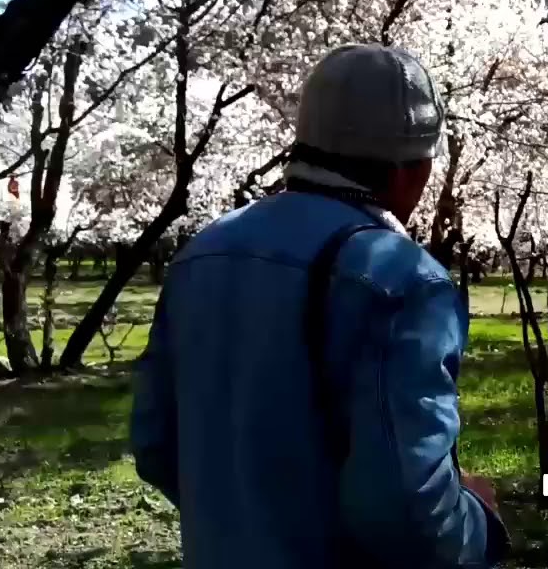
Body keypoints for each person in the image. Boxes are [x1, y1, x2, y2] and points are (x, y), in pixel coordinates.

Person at [130, 44, 508, 568]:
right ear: (409, 172)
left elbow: (155, 443)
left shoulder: (202, 252)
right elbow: (405, 506)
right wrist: (478, 522)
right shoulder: (403, 282)